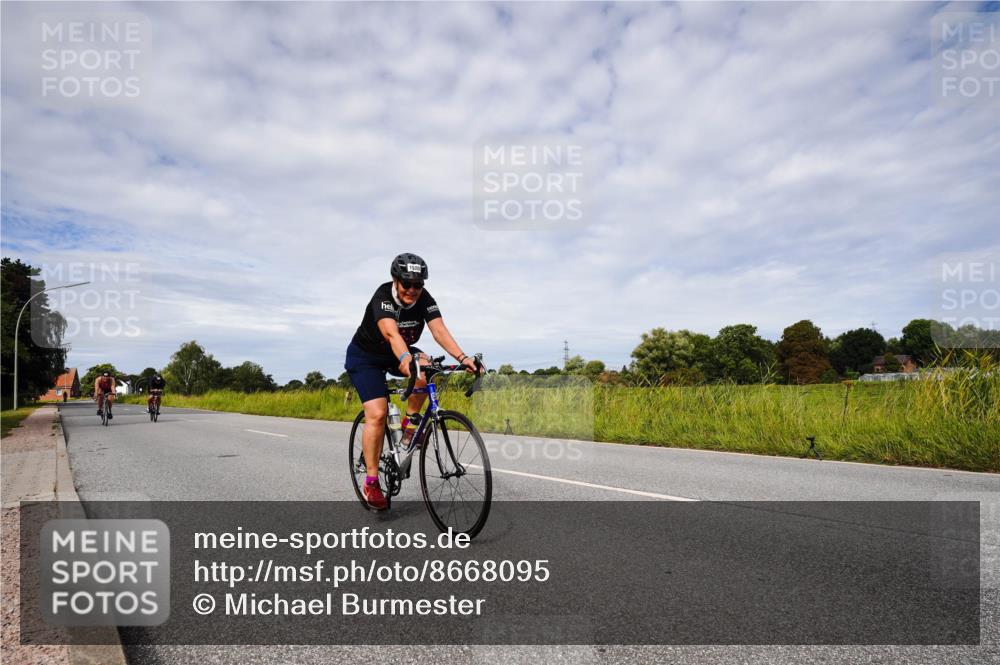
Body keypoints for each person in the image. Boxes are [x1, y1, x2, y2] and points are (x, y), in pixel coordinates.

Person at [345, 253, 484, 510]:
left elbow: (439, 331)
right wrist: (408, 359)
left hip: (399, 352)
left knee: (427, 367)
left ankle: (410, 429)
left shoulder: (424, 298)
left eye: (417, 285)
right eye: (406, 284)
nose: (412, 290)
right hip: (366, 358)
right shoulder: (383, 296)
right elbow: (391, 333)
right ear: (395, 280)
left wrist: (464, 358)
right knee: (377, 413)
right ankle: (372, 482)